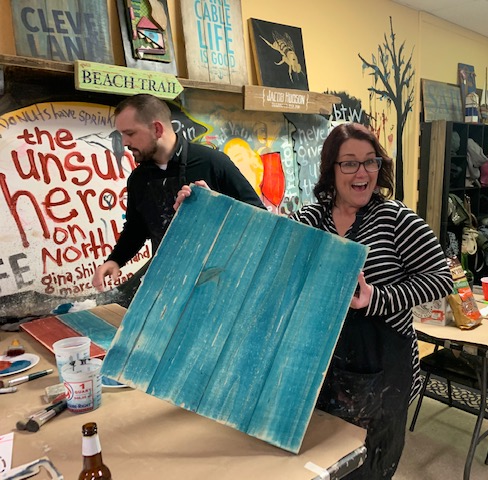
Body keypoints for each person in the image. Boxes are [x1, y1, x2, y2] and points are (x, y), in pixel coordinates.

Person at [290, 123, 453, 478]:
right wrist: (208, 207)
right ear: (331, 169)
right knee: (323, 461)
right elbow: (268, 244)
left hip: (383, 368)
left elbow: (441, 280)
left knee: (369, 466)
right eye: (349, 163)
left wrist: (376, 298)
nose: (362, 172)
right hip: (320, 364)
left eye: (370, 161)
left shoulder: (396, 220)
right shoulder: (310, 219)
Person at [92, 94, 264, 291]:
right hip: (167, 281)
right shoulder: (138, 179)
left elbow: (260, 215)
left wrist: (215, 205)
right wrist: (115, 260)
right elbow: (136, 229)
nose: (124, 142)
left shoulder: (213, 163)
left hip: (218, 281)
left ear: (157, 129)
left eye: (130, 133)